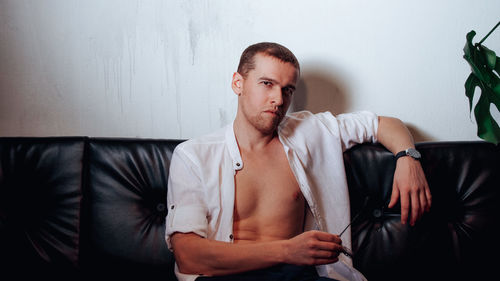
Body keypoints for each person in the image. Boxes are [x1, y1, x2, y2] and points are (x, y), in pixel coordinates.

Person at [165, 42, 431, 281]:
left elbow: (383, 124)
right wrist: (288, 250)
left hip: (297, 276)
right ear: (238, 83)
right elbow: (188, 256)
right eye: (267, 83)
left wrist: (408, 158)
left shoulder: (310, 132)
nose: (279, 100)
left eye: (287, 90)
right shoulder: (194, 156)